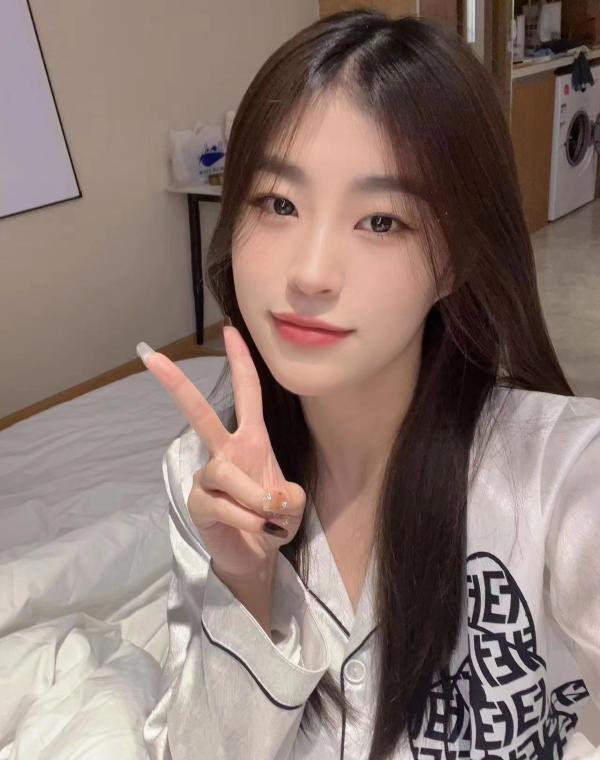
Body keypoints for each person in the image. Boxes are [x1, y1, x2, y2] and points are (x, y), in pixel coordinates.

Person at [140, 9, 600, 760]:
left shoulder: (564, 472)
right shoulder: (205, 480)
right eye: (279, 204)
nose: (310, 274)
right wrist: (244, 584)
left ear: (455, 260)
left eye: (382, 221)